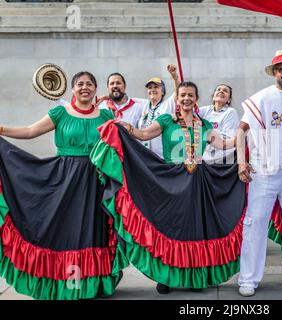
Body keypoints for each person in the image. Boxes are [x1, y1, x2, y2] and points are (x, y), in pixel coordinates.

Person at [90, 81, 243, 295]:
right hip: (172, 180)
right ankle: (165, 277)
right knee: (171, 227)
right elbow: (143, 135)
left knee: (195, 229)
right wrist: (125, 128)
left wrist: (245, 134)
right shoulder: (166, 120)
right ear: (177, 99)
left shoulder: (205, 125)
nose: (187, 98)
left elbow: (224, 144)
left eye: (190, 95)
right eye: (183, 95)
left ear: (196, 99)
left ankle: (194, 277)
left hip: (197, 182)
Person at [0, 71, 127, 300]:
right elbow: (30, 131)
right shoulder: (60, 113)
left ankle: (92, 283)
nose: (85, 87)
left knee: (92, 231)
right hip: (64, 180)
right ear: (72, 89)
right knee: (65, 231)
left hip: (96, 183)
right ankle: (67, 283)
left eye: (89, 84)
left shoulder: (106, 116)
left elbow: (120, 144)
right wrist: (2, 130)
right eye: (80, 84)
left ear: (96, 89)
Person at [236, 50, 282, 297]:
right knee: (255, 222)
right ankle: (248, 279)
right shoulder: (261, 98)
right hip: (265, 169)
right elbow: (241, 130)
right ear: (275, 74)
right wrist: (241, 162)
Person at [137, 64, 181, 158]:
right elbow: (126, 100)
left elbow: (179, 92)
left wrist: (175, 77)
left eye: (156, 87)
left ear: (163, 91)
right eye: (150, 87)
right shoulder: (144, 105)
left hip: (161, 157)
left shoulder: (167, 105)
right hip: (144, 157)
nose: (152, 89)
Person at [198, 84, 239, 164]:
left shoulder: (230, 112)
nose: (221, 91)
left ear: (229, 100)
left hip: (221, 162)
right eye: (219, 89)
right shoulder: (205, 110)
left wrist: (209, 136)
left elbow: (228, 141)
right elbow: (188, 112)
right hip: (204, 160)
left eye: (225, 91)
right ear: (213, 96)